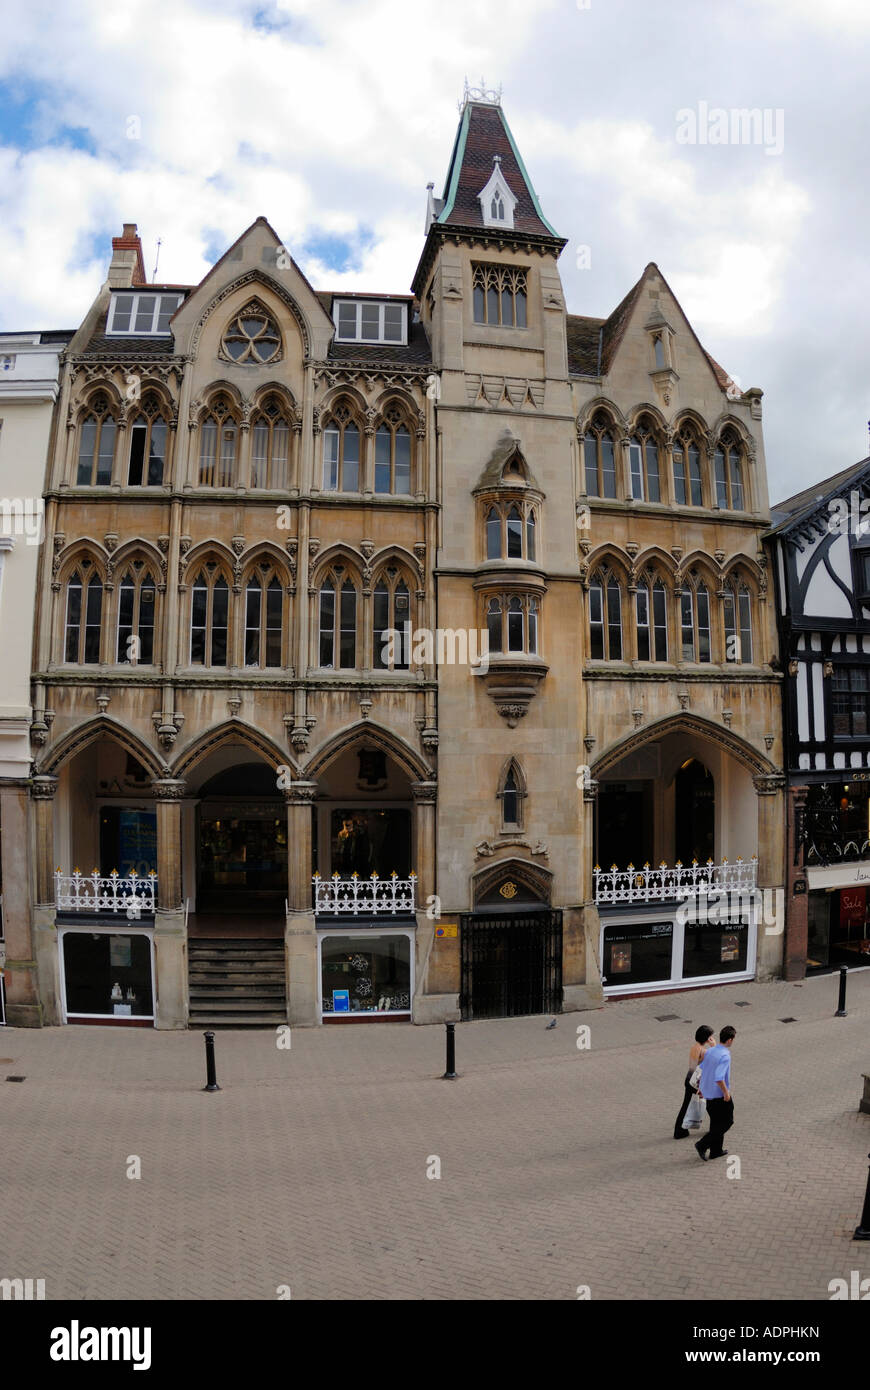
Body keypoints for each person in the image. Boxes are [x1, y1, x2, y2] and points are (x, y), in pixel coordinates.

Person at [694, 1026, 737, 1161]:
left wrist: (701, 1087)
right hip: (719, 1095)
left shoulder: (710, 1051)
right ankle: (702, 1144)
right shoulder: (725, 1055)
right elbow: (719, 1077)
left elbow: (702, 1069)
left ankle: (716, 1150)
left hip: (707, 1093)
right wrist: (726, 1093)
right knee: (727, 1121)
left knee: (716, 1121)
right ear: (730, 1040)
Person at [674, 1025, 714, 1138]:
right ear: (706, 1038)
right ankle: (715, 1129)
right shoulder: (703, 1051)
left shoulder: (694, 1047)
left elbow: (693, 1065)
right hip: (697, 1082)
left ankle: (680, 1131)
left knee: (685, 1105)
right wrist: (714, 1046)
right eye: (710, 1036)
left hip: (689, 1079)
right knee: (711, 1106)